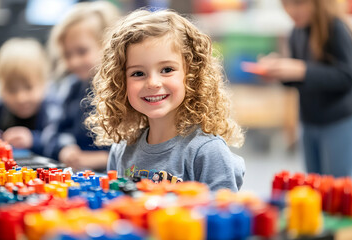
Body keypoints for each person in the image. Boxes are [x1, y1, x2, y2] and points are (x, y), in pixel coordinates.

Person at [86, 9, 245, 191]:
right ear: (121, 82)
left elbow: (222, 213)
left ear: (192, 74)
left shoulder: (207, 152)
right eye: (138, 73)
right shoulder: (122, 151)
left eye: (167, 69)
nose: (153, 83)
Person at [256, 0, 352, 178]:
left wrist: (302, 70)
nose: (292, 11)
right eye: (286, 4)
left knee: (337, 187)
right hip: (309, 122)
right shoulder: (296, 32)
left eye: (299, 3)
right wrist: (279, 73)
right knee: (313, 184)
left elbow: (346, 76)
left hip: (338, 122)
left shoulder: (336, 28)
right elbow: (301, 80)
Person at [43, 1, 120, 170]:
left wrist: (100, 158)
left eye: (82, 51)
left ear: (108, 46)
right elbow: (53, 132)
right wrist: (65, 148)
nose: (73, 61)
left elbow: (136, 145)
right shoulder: (72, 88)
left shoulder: (123, 91)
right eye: (67, 54)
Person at [0, 38, 53, 155]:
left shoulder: (51, 108)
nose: (21, 98)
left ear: (44, 84)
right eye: (11, 90)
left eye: (29, 88)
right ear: (0, 88)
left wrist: (34, 140)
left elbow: (58, 140)